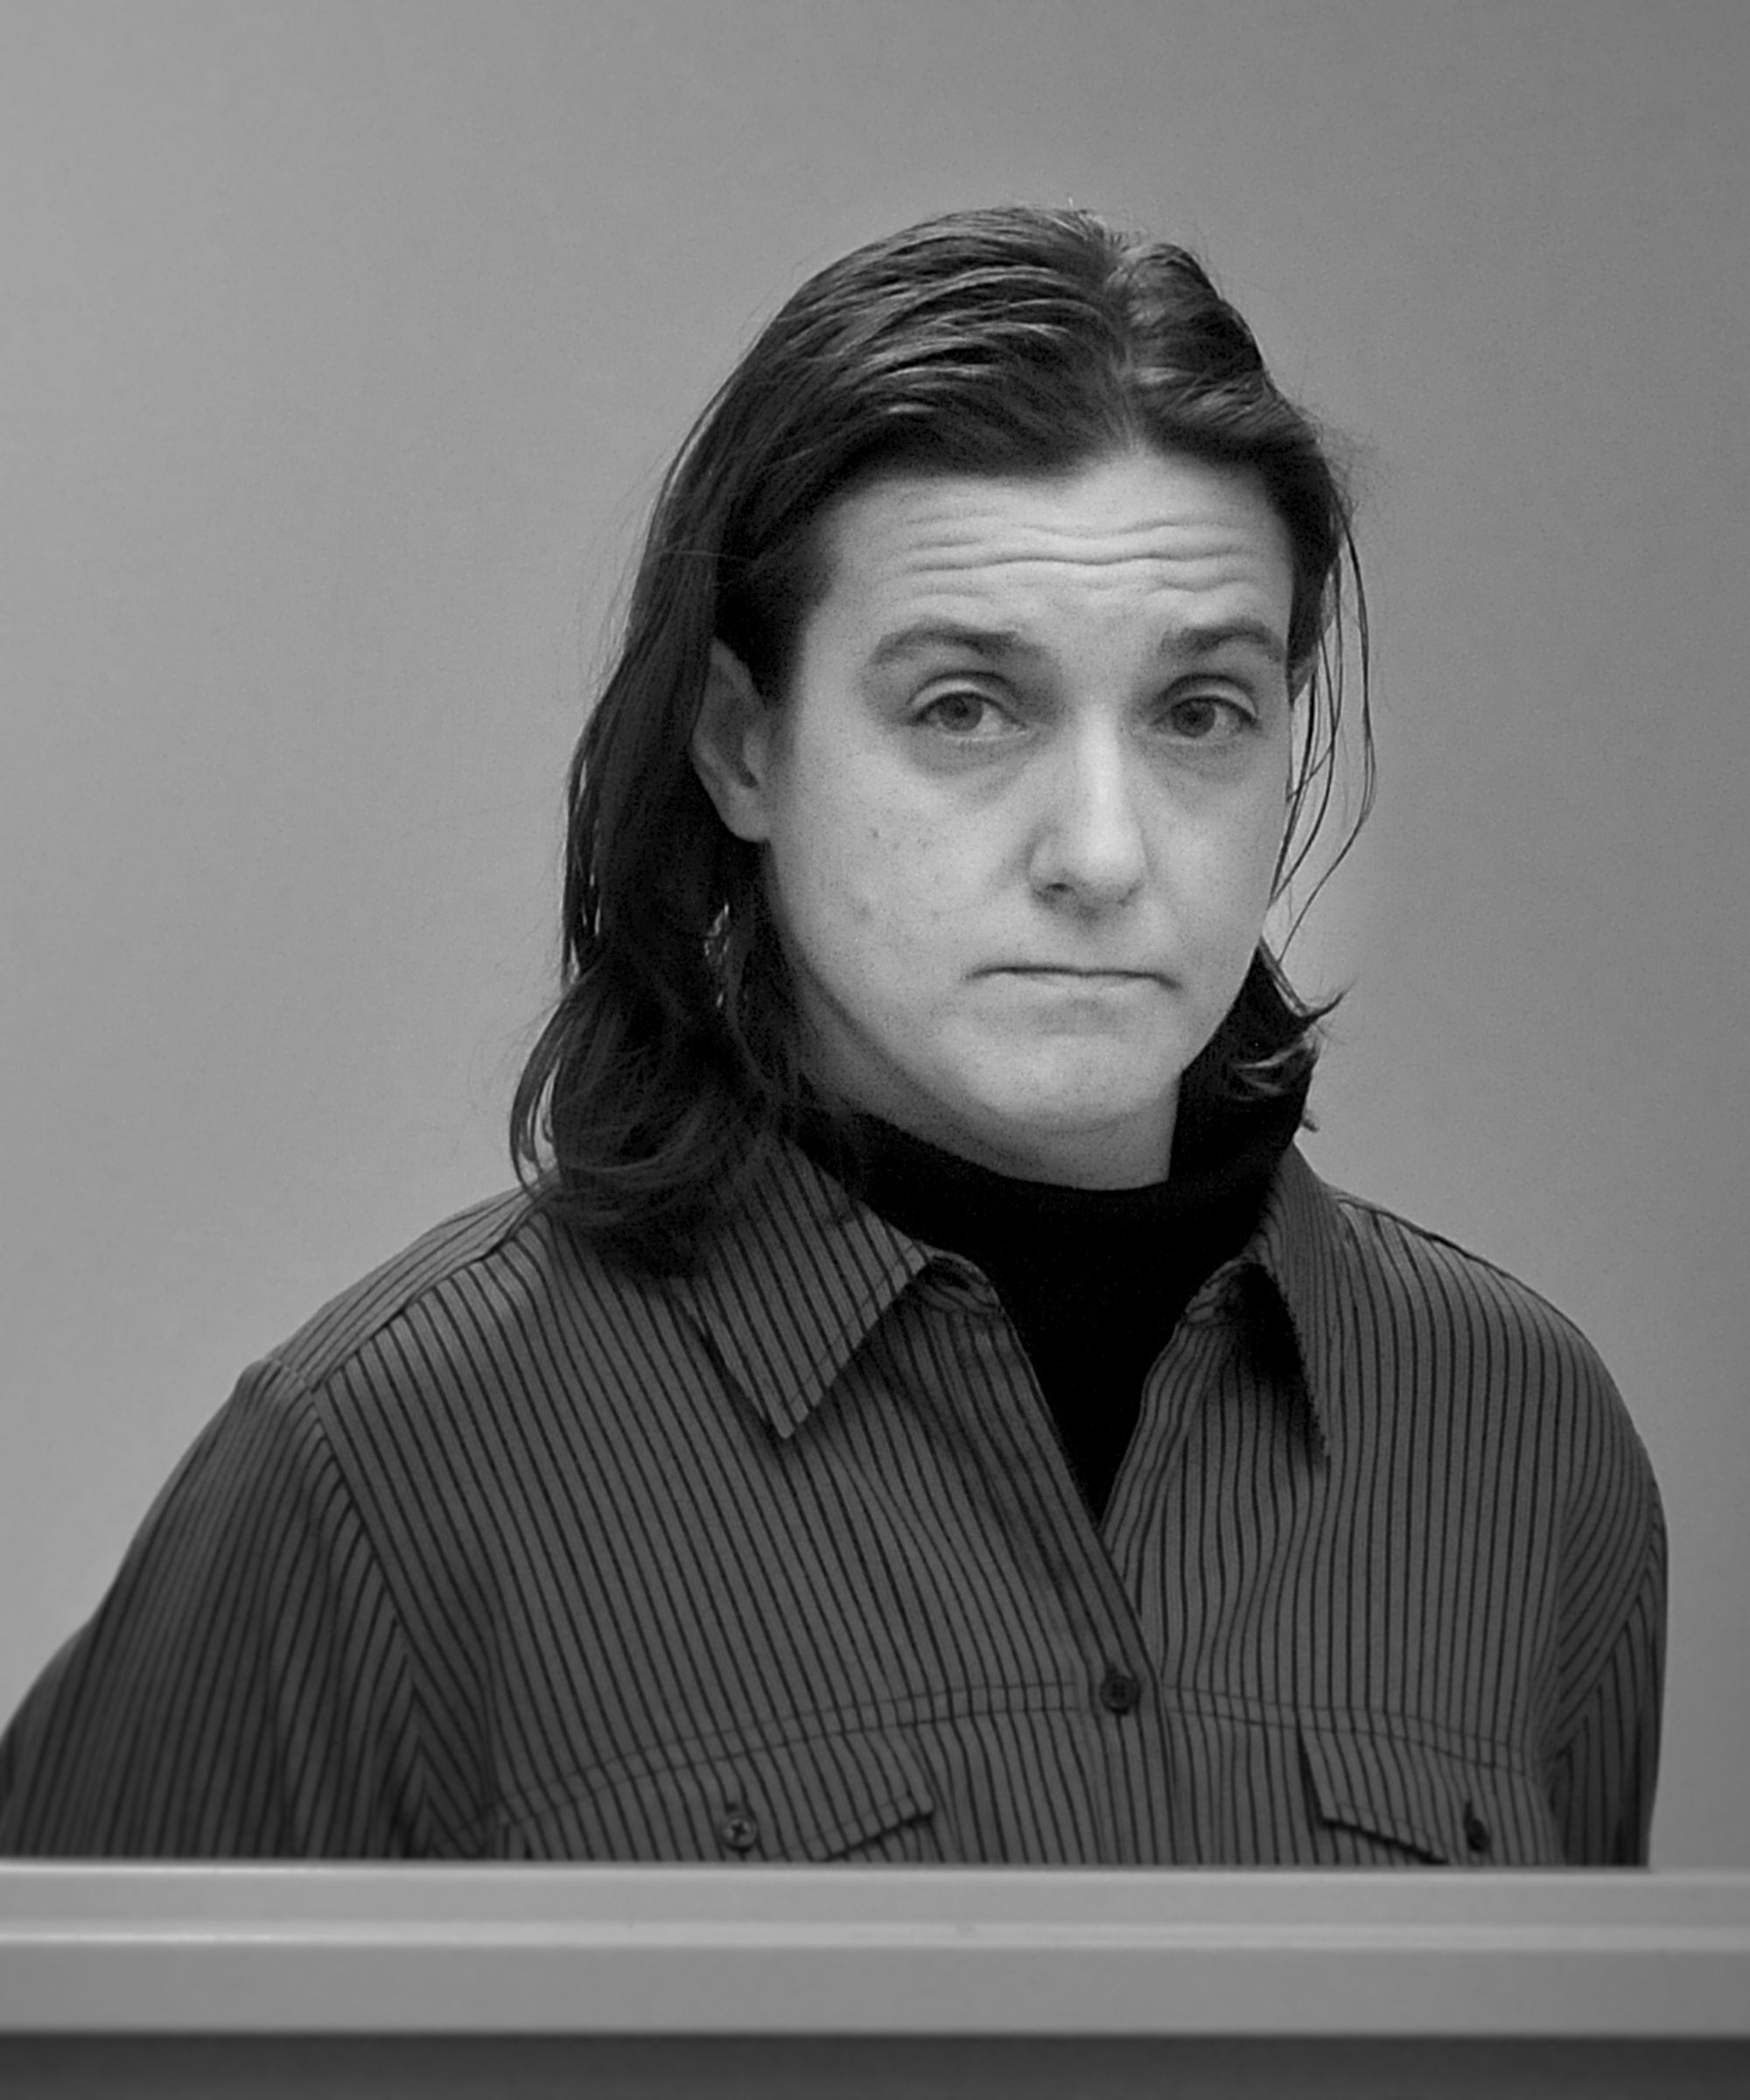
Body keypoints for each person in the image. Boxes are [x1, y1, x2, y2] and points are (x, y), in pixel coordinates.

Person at [0, 205, 1663, 1865]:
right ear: (743, 747)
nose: (1103, 853)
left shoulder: (1523, 1441)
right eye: (965, 707)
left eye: (1198, 711)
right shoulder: (382, 1465)